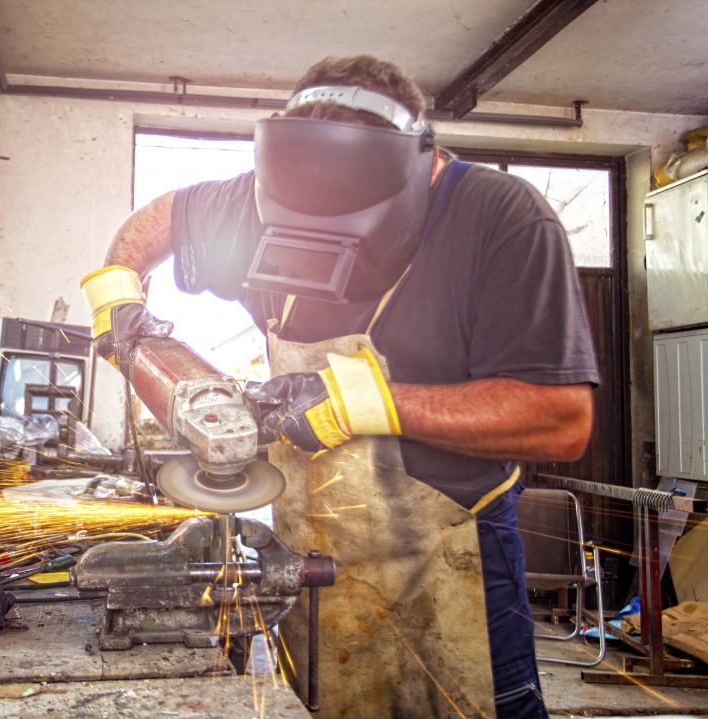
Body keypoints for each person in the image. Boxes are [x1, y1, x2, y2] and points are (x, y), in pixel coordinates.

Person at [81, 55, 598, 718]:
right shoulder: (257, 198)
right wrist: (118, 293)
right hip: (314, 568)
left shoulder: (503, 219)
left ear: (420, 167)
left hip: (451, 570)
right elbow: (160, 219)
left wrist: (366, 403)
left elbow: (562, 420)